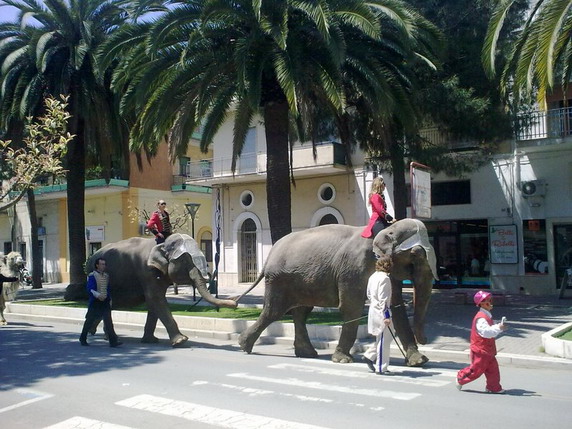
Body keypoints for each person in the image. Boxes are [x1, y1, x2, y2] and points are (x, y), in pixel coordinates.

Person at [456, 290, 507, 393]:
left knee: (493, 370)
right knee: (476, 370)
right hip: (480, 351)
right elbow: (486, 332)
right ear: (481, 304)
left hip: (487, 350)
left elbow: (488, 331)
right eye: (487, 301)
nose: (490, 302)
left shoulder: (486, 316)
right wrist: (499, 327)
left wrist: (498, 327)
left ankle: (493, 387)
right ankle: (460, 378)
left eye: (490, 300)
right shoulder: (481, 318)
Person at [79, 258, 121, 347]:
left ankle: (113, 342)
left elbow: (107, 289)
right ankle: (82, 338)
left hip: (105, 301)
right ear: (97, 265)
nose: (103, 266)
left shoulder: (106, 276)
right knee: (89, 321)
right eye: (102, 264)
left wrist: (109, 299)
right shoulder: (92, 275)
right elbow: (90, 289)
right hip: (95, 301)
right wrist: (97, 295)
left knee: (108, 322)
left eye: (104, 264)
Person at [362, 256, 393, 375]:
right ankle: (381, 367)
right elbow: (383, 299)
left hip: (374, 310)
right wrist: (386, 315)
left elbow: (369, 294)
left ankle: (370, 355)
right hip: (382, 312)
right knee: (384, 339)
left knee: (387, 337)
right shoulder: (385, 279)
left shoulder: (373, 276)